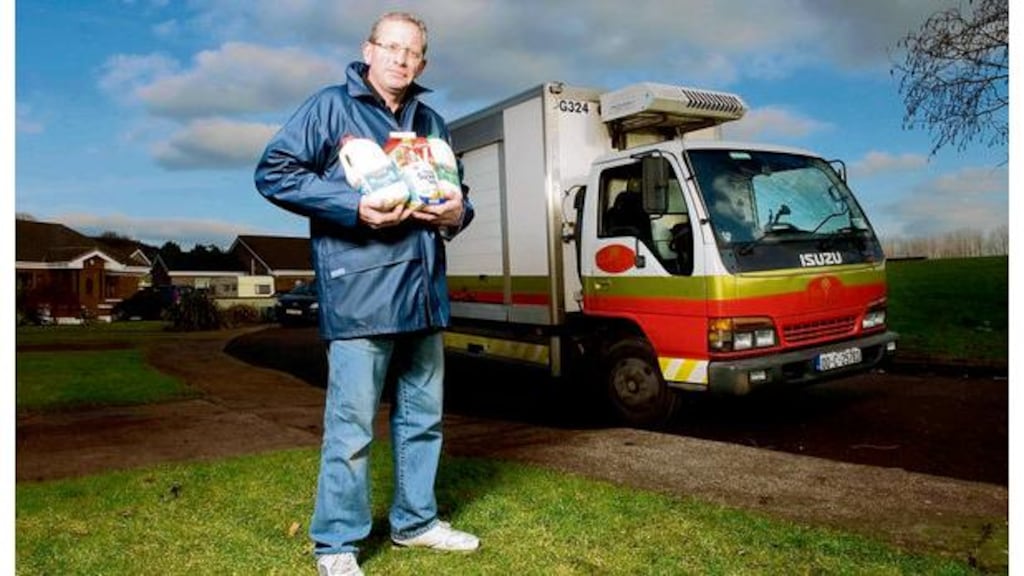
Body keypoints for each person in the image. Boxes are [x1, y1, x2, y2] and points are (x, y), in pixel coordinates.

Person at [253, 11, 477, 576]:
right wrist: (352, 206)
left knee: (423, 419)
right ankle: (336, 544)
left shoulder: (432, 121)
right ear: (369, 50)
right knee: (351, 429)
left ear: (423, 62)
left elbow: (457, 195)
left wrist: (458, 212)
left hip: (424, 294)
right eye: (392, 47)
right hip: (362, 294)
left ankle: (416, 522)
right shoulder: (331, 106)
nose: (402, 59)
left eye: (413, 51)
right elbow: (274, 172)